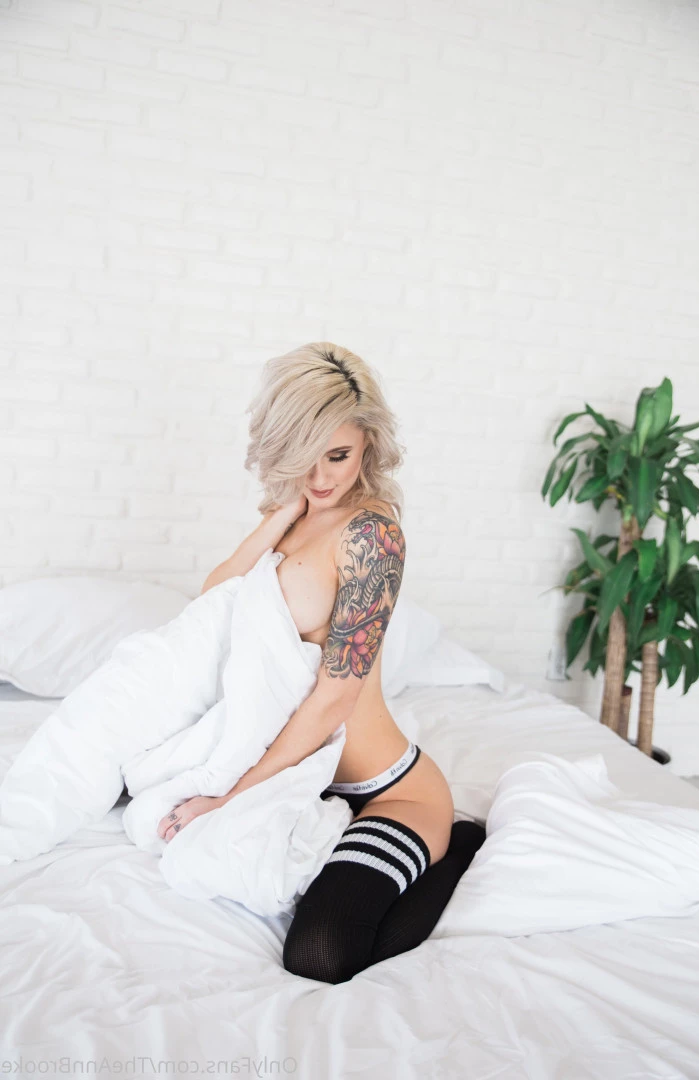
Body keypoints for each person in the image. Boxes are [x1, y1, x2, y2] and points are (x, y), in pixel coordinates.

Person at [156, 342, 486, 983]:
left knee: (322, 955)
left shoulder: (372, 536)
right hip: (310, 784)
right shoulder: (294, 514)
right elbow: (213, 600)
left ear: (368, 445)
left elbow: (334, 698)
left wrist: (229, 797)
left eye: (337, 454)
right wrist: (285, 510)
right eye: (302, 454)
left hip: (387, 792)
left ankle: (457, 841)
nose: (320, 476)